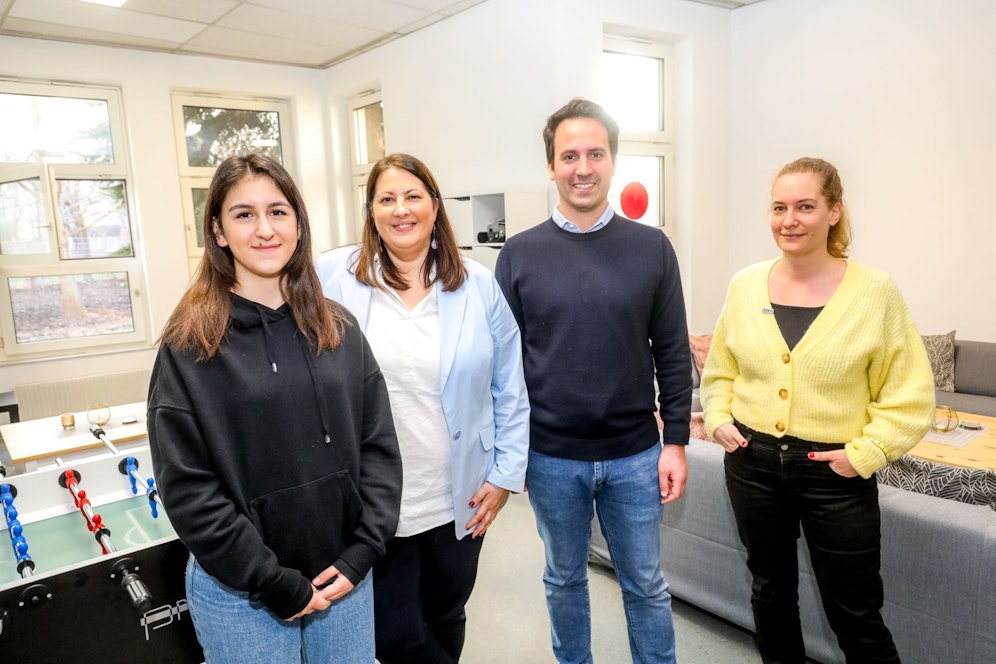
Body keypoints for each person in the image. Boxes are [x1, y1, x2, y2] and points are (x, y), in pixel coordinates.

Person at [147, 153, 402, 663]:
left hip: (343, 581)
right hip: (241, 594)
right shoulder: (190, 345)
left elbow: (379, 450)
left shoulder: (341, 330)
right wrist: (270, 580)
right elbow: (189, 488)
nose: (264, 229)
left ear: (298, 224)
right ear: (218, 231)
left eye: (278, 211)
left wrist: (361, 554)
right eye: (243, 214)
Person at [700, 157, 935, 664]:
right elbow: (720, 369)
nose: (790, 220)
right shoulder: (744, 285)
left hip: (836, 475)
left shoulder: (875, 292)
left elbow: (911, 395)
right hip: (752, 464)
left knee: (855, 613)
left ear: (833, 212)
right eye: (780, 207)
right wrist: (718, 418)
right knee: (770, 595)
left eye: (805, 206)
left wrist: (866, 453)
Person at [495, 98, 692, 664]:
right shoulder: (518, 255)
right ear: (551, 167)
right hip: (552, 458)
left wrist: (674, 440)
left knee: (647, 586)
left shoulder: (652, 248)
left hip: (635, 455)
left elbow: (674, 352)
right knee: (563, 580)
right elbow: (505, 369)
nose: (583, 167)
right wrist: (513, 455)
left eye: (595, 154)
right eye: (570, 155)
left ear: (613, 161)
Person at [316, 152, 529, 663]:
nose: (400, 209)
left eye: (412, 196)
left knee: (446, 616)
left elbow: (511, 387)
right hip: (375, 500)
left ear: (435, 205)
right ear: (371, 212)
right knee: (392, 634)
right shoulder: (334, 277)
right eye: (386, 199)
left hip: (458, 495)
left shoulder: (477, 285)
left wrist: (504, 475)